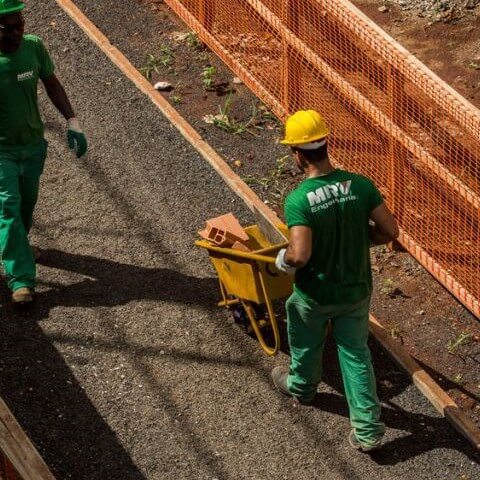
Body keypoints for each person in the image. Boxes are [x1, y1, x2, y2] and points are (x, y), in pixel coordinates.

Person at [272, 110, 399, 452]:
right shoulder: (360, 186)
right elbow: (389, 230)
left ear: (297, 154)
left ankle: (302, 387)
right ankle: (369, 431)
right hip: (356, 290)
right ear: (326, 144)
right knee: (356, 354)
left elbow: (299, 255)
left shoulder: (300, 200)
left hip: (316, 293)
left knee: (305, 339)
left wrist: (282, 261)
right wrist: (362, 239)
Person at [0, 0, 87, 305]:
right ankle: (21, 279)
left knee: (27, 203)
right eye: (7, 27)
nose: (16, 32)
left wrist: (73, 122)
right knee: (8, 209)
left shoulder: (34, 47)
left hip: (33, 146)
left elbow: (51, 82)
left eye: (19, 23)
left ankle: (17, 244)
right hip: (2, 153)